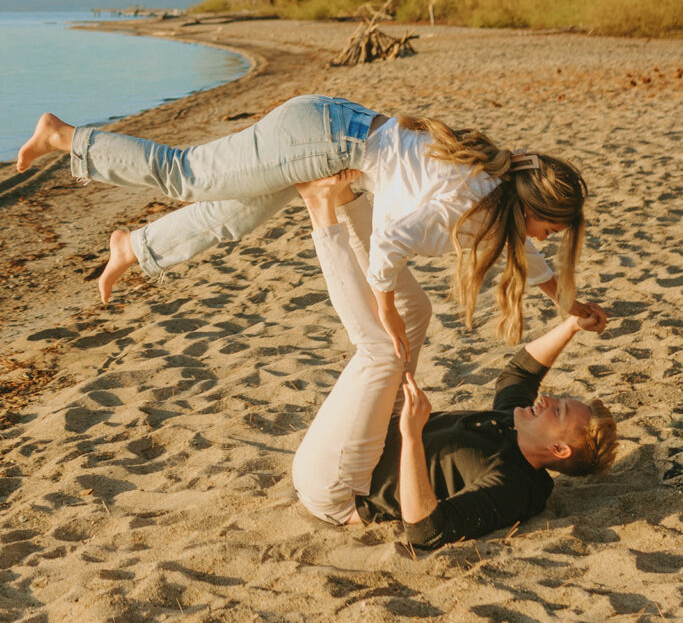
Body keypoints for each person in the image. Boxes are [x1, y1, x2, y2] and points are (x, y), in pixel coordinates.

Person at [17, 94, 606, 351]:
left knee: (232, 220)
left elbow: (515, 252)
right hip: (319, 141)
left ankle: (133, 247)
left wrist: (566, 303)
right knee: (186, 173)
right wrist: (385, 311)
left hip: (331, 137)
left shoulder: (497, 197)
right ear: (531, 208)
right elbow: (391, 242)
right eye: (551, 230)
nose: (547, 240)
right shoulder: (469, 199)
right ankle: (64, 136)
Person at [292, 177, 617, 549]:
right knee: (415, 311)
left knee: (380, 351)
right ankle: (346, 201)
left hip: (343, 486)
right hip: (376, 440)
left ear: (559, 451)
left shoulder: (515, 486)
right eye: (557, 401)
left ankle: (320, 211)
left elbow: (427, 531)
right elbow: (520, 373)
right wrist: (573, 324)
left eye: (557, 412)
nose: (545, 401)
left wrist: (413, 436)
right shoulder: (516, 424)